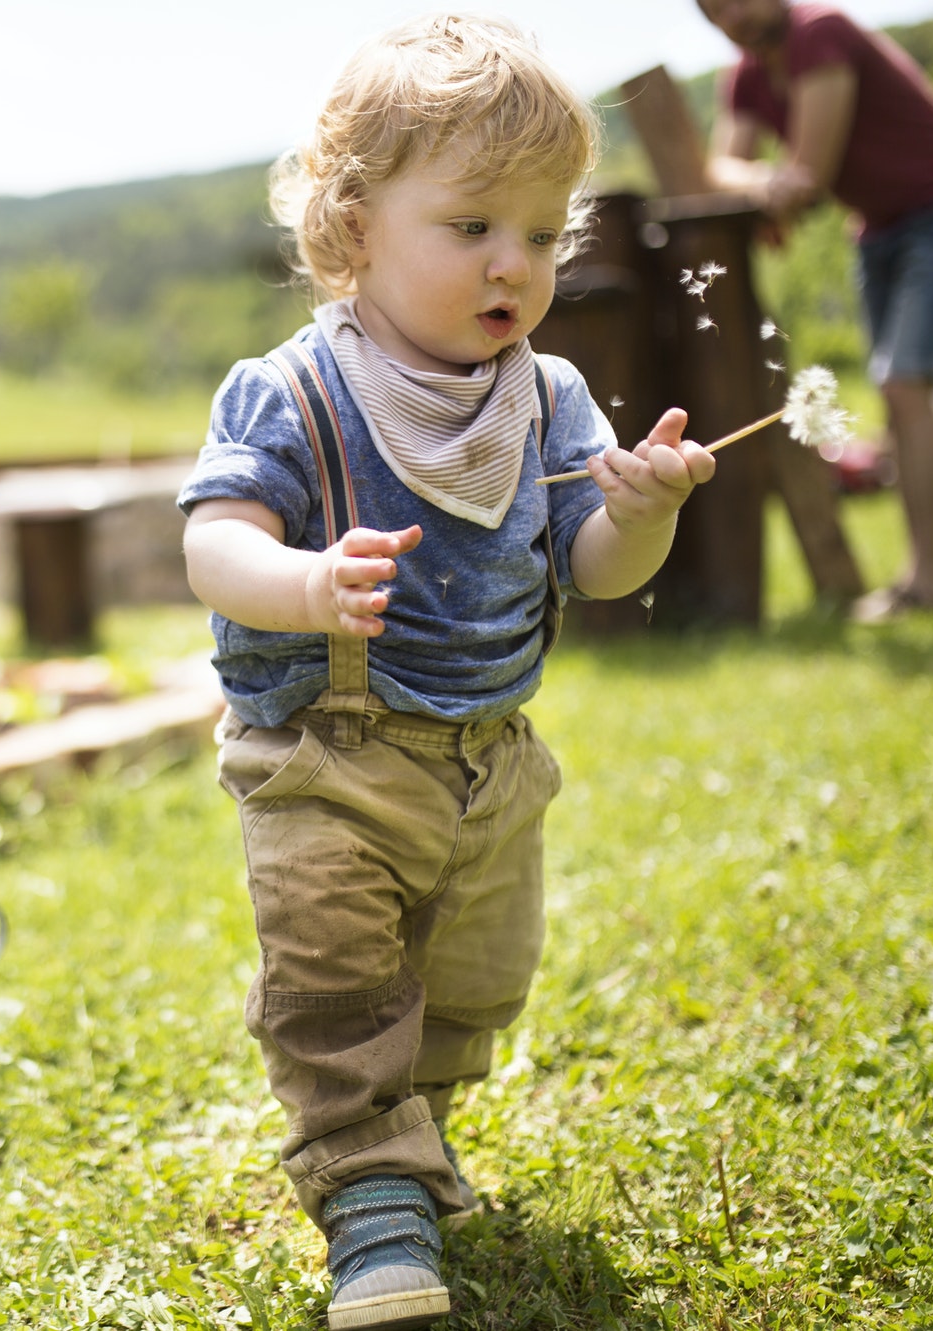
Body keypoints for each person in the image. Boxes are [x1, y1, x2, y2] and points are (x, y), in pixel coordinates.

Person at [176, 15, 716, 1329]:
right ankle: (371, 1200)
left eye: (540, 232)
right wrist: (303, 584)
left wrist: (642, 513)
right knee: (341, 984)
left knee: (470, 985)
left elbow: (593, 567)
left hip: (489, 758)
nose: (513, 263)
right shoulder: (294, 388)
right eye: (472, 224)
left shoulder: (552, 395)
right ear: (355, 226)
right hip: (327, 752)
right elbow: (213, 541)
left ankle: (412, 1140)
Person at [698, 0, 933, 622]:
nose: (732, 18)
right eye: (714, 11)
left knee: (905, 383)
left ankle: (927, 582)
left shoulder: (821, 34)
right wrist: (763, 187)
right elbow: (718, 169)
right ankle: (921, 579)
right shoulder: (749, 77)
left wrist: (770, 188)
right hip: (880, 228)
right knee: (898, 392)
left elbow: (808, 176)